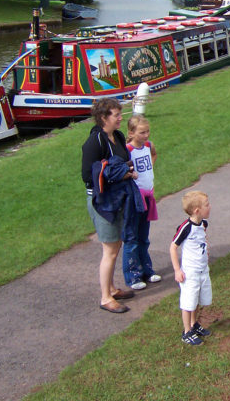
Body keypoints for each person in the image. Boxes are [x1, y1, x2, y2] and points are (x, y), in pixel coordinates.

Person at [81, 98, 137, 314]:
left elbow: (123, 160)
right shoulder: (95, 141)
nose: (121, 118)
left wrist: (127, 170)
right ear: (104, 117)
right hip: (103, 201)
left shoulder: (119, 136)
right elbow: (88, 176)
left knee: (116, 244)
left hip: (118, 197)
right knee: (110, 249)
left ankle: (112, 288)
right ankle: (105, 297)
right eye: (117, 115)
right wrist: (116, 174)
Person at [123, 115, 161, 290]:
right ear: (131, 133)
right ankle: (133, 275)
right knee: (132, 237)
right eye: (142, 132)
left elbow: (154, 154)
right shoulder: (127, 149)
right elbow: (122, 170)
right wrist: (132, 174)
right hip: (135, 199)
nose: (146, 135)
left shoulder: (148, 145)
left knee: (144, 237)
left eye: (148, 131)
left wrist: (149, 169)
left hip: (148, 196)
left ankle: (147, 270)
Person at [170, 190, 213, 346]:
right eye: (207, 205)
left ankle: (194, 325)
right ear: (197, 210)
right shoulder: (185, 228)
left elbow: (202, 239)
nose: (210, 207)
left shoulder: (203, 224)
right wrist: (177, 270)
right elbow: (173, 247)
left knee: (198, 299)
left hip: (202, 269)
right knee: (188, 302)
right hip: (190, 272)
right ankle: (186, 331)